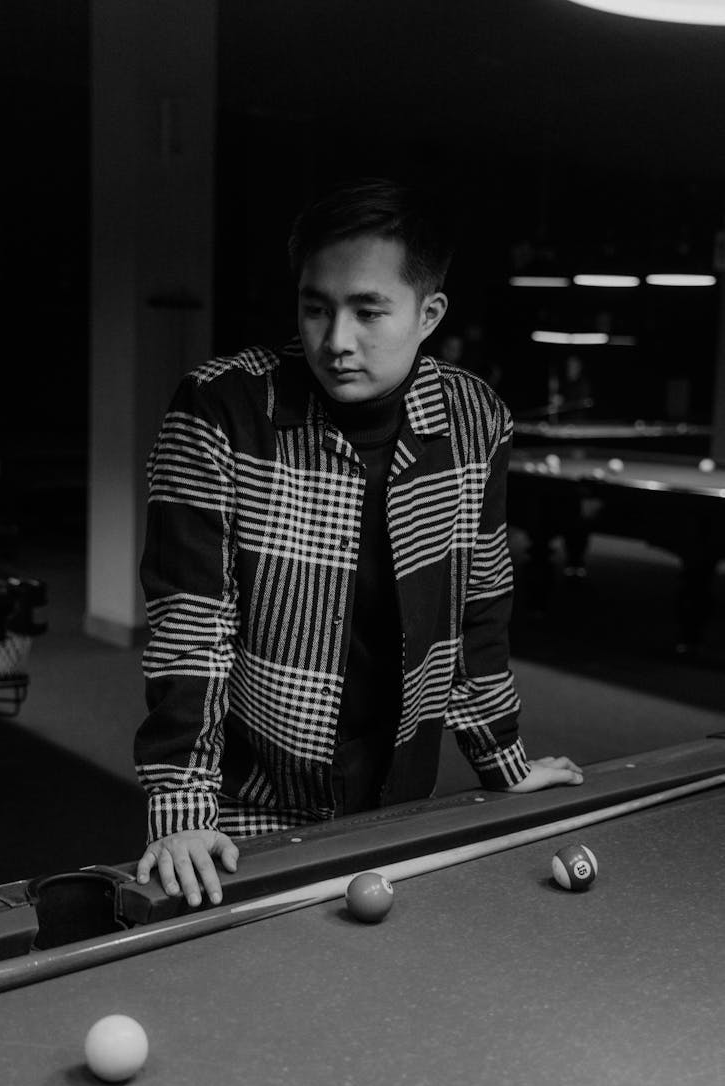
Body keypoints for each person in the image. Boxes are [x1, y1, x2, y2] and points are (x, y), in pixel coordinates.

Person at [134, 179, 583, 908]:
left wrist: (502, 755)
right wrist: (182, 809)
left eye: (368, 310)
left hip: (401, 787)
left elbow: (479, 606)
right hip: (253, 803)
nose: (335, 341)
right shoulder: (219, 409)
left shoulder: (476, 417)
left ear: (428, 312)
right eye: (316, 307)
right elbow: (192, 626)